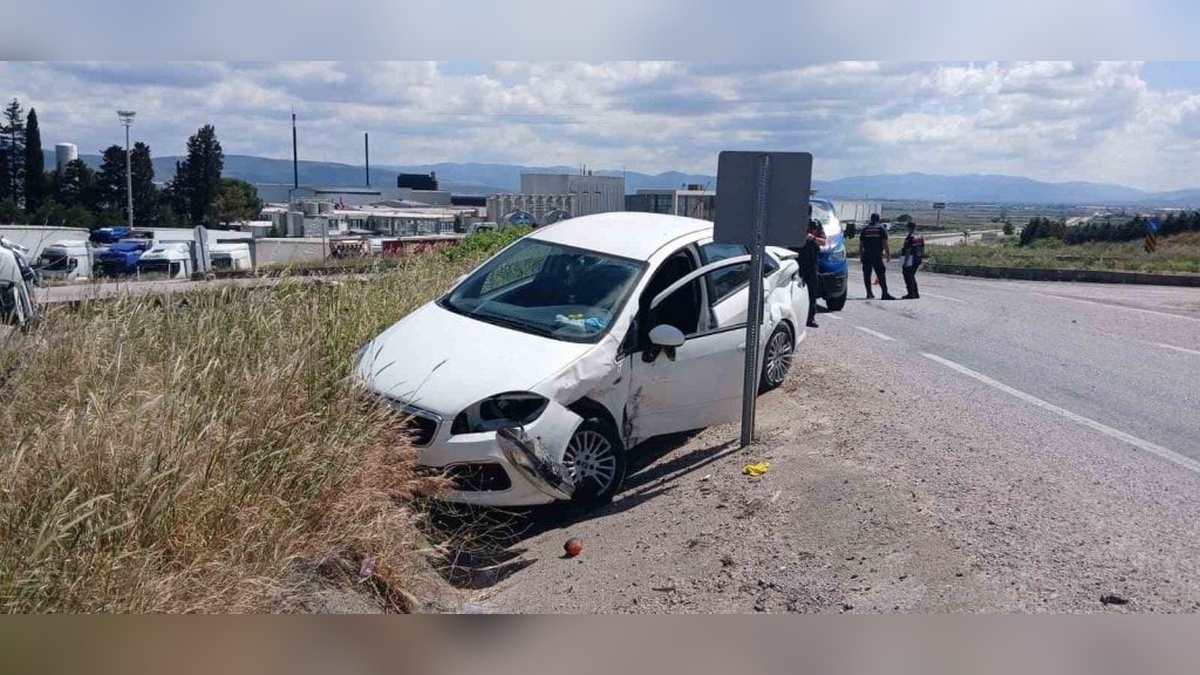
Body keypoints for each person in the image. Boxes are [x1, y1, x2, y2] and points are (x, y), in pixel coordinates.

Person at [797, 214, 826, 328]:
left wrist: (813, 238)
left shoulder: (816, 224)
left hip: (811, 262)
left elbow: (823, 242)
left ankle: (810, 318)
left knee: (812, 291)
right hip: (796, 260)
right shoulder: (794, 223)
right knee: (794, 290)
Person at [858, 213, 896, 300]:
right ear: (878, 219)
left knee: (867, 274)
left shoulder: (865, 229)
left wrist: (861, 256)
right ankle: (884, 293)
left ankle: (869, 293)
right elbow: (885, 243)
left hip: (866, 254)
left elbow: (861, 245)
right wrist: (888, 254)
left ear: (871, 219)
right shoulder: (880, 229)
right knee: (881, 273)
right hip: (877, 255)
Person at [900, 221, 926, 299]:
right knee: (911, 275)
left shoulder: (910, 237)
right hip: (917, 257)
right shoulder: (919, 236)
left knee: (908, 276)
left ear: (909, 228)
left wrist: (905, 261)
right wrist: (920, 256)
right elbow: (922, 248)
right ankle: (915, 293)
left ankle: (911, 293)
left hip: (910, 259)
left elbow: (908, 249)